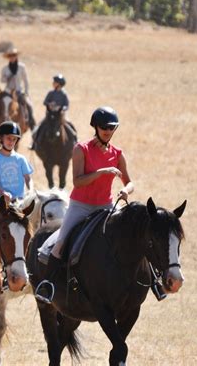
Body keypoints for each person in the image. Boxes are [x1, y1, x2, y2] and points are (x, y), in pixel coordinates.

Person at [34, 106, 134, 304]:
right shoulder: (81, 149)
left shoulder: (117, 154)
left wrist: (126, 191)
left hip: (106, 205)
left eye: (112, 127)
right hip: (81, 206)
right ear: (95, 127)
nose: (108, 130)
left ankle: (151, 280)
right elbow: (78, 181)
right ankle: (48, 284)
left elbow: (129, 182)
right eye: (104, 127)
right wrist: (101, 172)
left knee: (130, 233)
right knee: (61, 241)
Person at [0, 121, 34, 202]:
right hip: (0, 201)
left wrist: (31, 190)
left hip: (20, 201)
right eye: (8, 138)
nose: (11, 142)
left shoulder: (21, 159)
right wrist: (3, 193)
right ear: (1, 138)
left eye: (14, 139)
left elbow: (28, 178)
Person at [30, 74, 70, 150]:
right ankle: (34, 143)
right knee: (39, 127)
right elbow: (45, 102)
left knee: (70, 128)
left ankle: (75, 140)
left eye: (55, 82)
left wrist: (61, 108)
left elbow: (67, 105)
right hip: (50, 115)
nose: (53, 83)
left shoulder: (64, 94)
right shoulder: (51, 93)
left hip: (60, 116)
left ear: (59, 84)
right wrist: (49, 104)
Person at [0, 47, 35, 129]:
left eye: (14, 55)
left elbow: (26, 80)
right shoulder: (5, 69)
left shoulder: (22, 67)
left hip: (19, 91)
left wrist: (26, 92)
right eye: (10, 56)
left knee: (29, 105)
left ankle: (31, 122)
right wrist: (7, 77)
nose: (12, 57)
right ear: (8, 57)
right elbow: (2, 80)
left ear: (16, 56)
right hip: (8, 91)